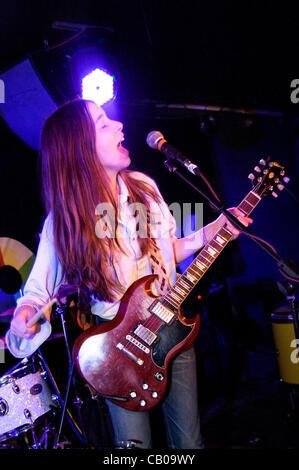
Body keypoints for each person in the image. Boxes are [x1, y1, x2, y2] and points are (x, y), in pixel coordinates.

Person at [6, 99, 252, 449]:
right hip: (116, 351)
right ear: (80, 149)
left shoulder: (143, 187)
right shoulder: (65, 221)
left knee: (190, 445)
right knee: (132, 448)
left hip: (170, 334)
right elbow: (36, 292)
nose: (119, 125)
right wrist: (24, 316)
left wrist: (214, 229)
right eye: (104, 124)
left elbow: (170, 251)